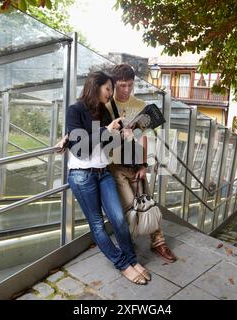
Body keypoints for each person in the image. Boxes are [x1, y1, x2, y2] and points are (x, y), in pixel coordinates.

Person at [62, 71, 151, 285]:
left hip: (103, 172)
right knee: (98, 224)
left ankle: (132, 259)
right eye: (108, 89)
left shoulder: (104, 112)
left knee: (119, 219)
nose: (110, 94)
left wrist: (125, 138)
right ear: (95, 86)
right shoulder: (74, 110)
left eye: (112, 89)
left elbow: (108, 146)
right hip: (82, 175)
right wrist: (105, 130)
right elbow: (80, 148)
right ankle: (123, 265)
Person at [105, 64, 177, 263]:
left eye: (129, 85)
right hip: (115, 166)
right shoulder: (106, 105)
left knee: (148, 202)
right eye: (121, 85)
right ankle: (128, 242)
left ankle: (159, 242)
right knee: (129, 205)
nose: (126, 90)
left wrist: (144, 166)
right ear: (113, 84)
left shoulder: (140, 105)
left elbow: (144, 138)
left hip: (136, 164)